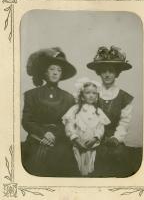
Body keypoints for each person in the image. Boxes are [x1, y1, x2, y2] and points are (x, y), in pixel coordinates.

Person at [21, 47, 78, 177]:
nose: (55, 73)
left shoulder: (69, 98)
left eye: (59, 70)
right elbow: (26, 121)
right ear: (44, 72)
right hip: (36, 139)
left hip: (60, 139)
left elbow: (70, 124)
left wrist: (54, 135)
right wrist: (43, 133)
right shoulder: (31, 95)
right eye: (52, 69)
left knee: (63, 160)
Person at [87, 46, 135, 177]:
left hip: (114, 140)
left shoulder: (125, 97)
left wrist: (116, 138)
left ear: (117, 73)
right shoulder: (92, 93)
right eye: (104, 71)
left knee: (119, 157)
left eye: (111, 71)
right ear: (99, 73)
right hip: (93, 138)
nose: (107, 74)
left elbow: (124, 123)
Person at [62, 78, 110, 176]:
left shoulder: (98, 111)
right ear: (82, 96)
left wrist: (95, 138)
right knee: (77, 167)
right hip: (77, 144)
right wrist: (76, 139)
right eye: (87, 93)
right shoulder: (75, 110)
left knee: (91, 168)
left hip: (92, 146)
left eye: (94, 93)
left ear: (97, 96)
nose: (91, 95)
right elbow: (69, 126)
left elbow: (100, 128)